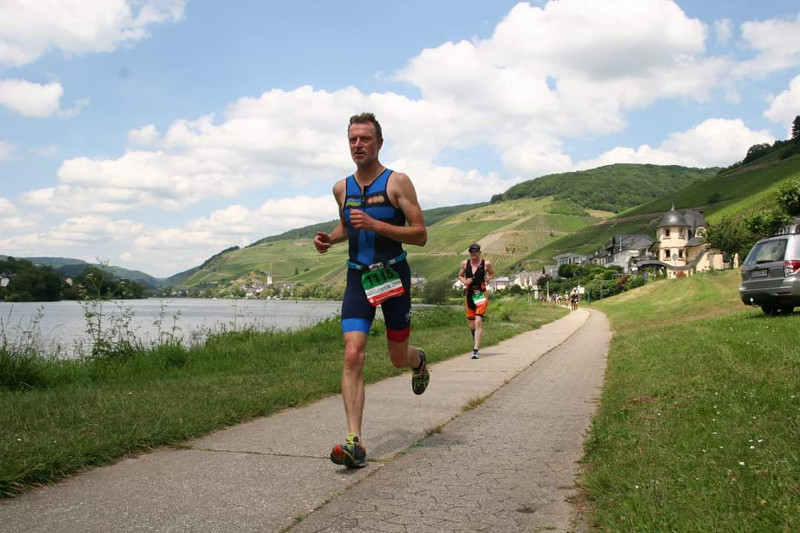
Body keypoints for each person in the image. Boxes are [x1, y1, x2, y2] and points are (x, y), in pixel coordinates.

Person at [313, 112, 429, 469]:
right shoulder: (341, 188)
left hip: (393, 277)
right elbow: (348, 226)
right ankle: (355, 441)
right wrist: (329, 240)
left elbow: (421, 234)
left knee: (397, 356)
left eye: (365, 139)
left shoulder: (398, 182)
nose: (358, 145)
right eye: (352, 139)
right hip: (357, 280)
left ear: (379, 143)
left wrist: (378, 223)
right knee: (353, 353)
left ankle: (418, 361)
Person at [458, 243, 495, 359]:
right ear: (469, 253)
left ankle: (475, 351)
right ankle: (474, 335)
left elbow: (492, 273)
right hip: (469, 294)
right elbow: (460, 275)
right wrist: (465, 281)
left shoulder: (486, 264)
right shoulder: (465, 264)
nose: (474, 253)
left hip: (480, 294)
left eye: (476, 251)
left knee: (478, 321)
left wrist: (488, 278)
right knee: (472, 324)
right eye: (471, 252)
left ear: (479, 252)